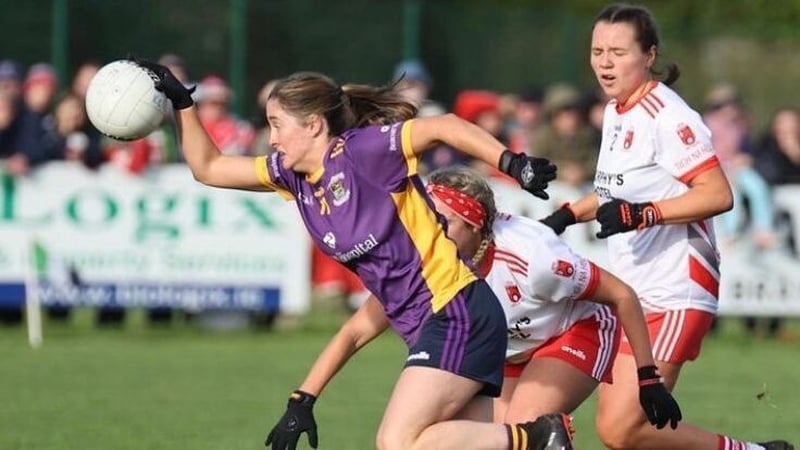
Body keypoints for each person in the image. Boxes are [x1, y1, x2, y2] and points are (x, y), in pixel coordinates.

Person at [135, 58, 572, 450]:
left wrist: (512, 163)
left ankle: (538, 436)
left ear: (313, 125)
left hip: (454, 309)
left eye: (277, 124)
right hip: (434, 326)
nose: (272, 139)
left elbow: (444, 126)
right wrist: (181, 103)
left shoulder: (363, 152)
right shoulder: (293, 177)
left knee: (397, 441)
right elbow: (208, 167)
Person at [539, 4, 793, 450]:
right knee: (619, 430)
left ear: (649, 55)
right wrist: (564, 216)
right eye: (597, 50)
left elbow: (718, 194)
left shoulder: (668, 115)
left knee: (622, 430)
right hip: (633, 290)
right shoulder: (618, 110)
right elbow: (619, 187)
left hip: (676, 287)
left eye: (618, 51)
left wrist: (643, 215)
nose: (605, 62)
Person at [424, 166, 679, 429]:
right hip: (513, 348)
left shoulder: (533, 259)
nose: (431, 233)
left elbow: (621, 295)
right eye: (428, 221)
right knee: (494, 439)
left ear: (474, 223)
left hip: (577, 328)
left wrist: (648, 377)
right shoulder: (429, 256)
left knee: (521, 428)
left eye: (444, 222)